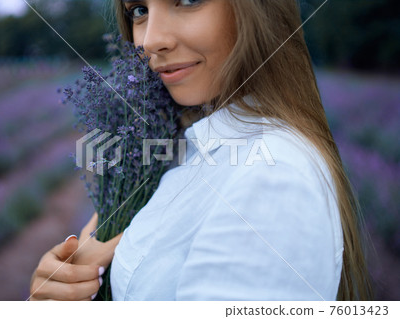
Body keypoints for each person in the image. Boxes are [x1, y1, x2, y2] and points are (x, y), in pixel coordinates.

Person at [29, 0, 373, 301]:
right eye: (139, 11)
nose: (151, 41)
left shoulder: (273, 177)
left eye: (189, 0)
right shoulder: (195, 149)